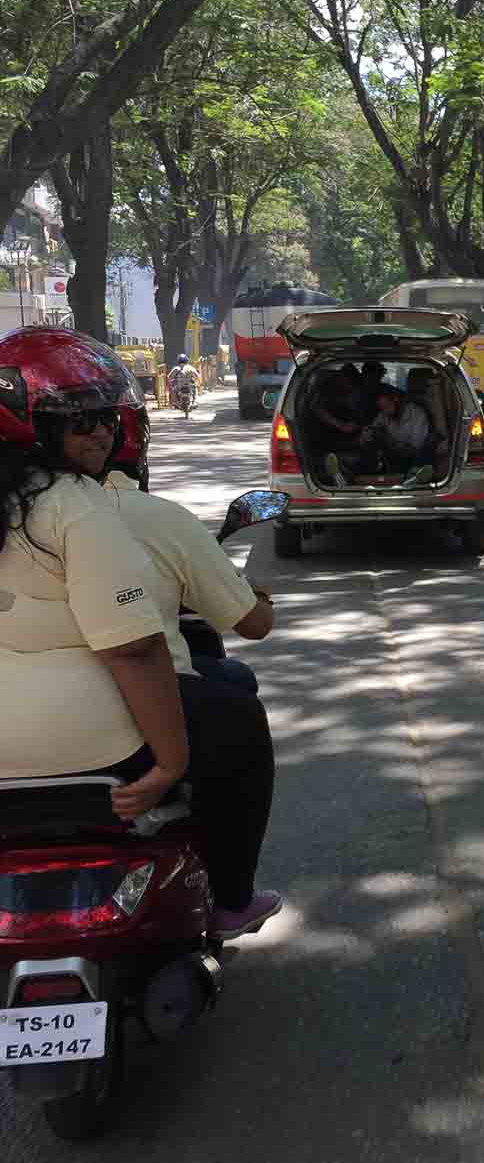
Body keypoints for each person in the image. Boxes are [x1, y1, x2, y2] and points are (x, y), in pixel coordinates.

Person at [0, 327, 279, 938]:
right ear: (34, 427)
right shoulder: (76, 505)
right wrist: (168, 764)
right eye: (79, 421)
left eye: (105, 418)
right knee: (238, 721)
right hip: (90, 737)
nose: (100, 432)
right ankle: (233, 899)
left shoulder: (16, 502)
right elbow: (133, 647)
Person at [95, 459, 274, 696]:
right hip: (155, 684)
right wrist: (260, 594)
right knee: (241, 683)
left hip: (55, 688)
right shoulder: (162, 516)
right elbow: (255, 624)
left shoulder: (40, 514)